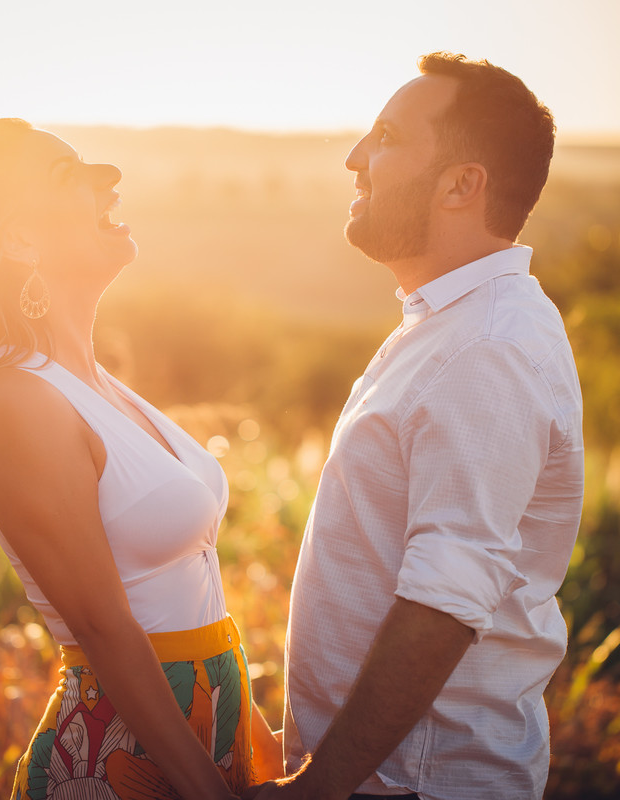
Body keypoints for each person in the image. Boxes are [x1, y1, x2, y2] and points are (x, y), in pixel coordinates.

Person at [0, 118, 282, 800]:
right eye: (68, 175)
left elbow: (195, 593)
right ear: (18, 238)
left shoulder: (96, 385)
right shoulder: (15, 399)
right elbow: (104, 627)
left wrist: (259, 747)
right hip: (118, 760)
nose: (110, 178)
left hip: (204, 733)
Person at [244, 53, 584, 800]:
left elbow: (445, 598)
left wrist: (319, 786)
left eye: (388, 137)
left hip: (418, 784)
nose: (355, 160)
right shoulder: (449, 324)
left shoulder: (485, 348)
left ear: (463, 184)